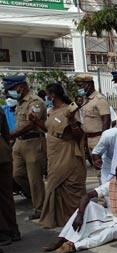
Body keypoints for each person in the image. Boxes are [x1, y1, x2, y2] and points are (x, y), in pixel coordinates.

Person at [47, 163, 117, 253]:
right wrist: (80, 215)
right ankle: (64, 238)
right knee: (87, 206)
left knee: (110, 232)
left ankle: (74, 246)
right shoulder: (112, 184)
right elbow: (87, 196)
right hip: (112, 216)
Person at [36, 83, 86, 229]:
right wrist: (35, 122)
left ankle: (76, 217)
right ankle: (57, 218)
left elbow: (79, 135)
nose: (47, 98)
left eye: (48, 95)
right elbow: (49, 130)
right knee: (54, 184)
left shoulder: (70, 110)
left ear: (53, 95)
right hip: (53, 153)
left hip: (67, 152)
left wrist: (71, 121)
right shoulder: (52, 111)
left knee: (70, 184)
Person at [5, 74, 47, 219]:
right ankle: (37, 196)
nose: (10, 92)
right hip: (19, 143)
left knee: (35, 177)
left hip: (32, 142)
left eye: (11, 88)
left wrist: (11, 135)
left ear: (21, 87)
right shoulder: (20, 103)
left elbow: (30, 124)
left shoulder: (35, 102)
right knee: (17, 174)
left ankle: (41, 207)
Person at [74, 73, 111, 151]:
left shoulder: (99, 99)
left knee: (100, 162)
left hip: (98, 138)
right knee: (93, 163)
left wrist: (103, 140)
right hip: (88, 139)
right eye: (78, 86)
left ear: (89, 84)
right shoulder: (85, 100)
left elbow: (106, 120)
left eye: (81, 86)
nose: (79, 88)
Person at [0, 107, 19, 245]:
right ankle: (13, 230)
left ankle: (4, 233)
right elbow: (6, 133)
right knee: (6, 195)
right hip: (4, 153)